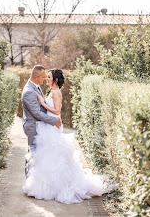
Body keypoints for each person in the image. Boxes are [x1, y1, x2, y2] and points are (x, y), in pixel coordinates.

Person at [22, 68, 116, 204]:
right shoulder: (47, 91)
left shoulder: (56, 93)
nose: (46, 79)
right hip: (47, 125)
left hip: (52, 125)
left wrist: (43, 104)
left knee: (53, 154)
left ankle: (56, 186)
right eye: (45, 76)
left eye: (48, 77)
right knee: (46, 155)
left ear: (55, 80)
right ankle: (45, 184)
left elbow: (57, 110)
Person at [21, 65, 61, 178]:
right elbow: (36, 113)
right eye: (43, 77)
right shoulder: (29, 91)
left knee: (38, 154)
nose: (45, 79)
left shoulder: (35, 86)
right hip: (33, 126)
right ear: (37, 76)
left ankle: (35, 179)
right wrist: (54, 121)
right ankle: (30, 181)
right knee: (33, 155)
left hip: (39, 125)